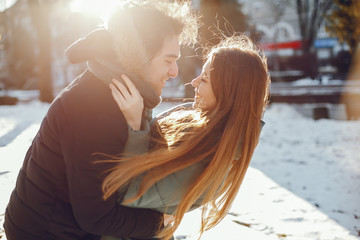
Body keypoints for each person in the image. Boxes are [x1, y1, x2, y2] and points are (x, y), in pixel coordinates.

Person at [3, 1, 198, 240]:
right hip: (45, 232)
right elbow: (96, 216)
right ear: (138, 56)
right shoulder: (96, 108)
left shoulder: (116, 89)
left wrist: (137, 126)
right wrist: (159, 223)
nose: (175, 72)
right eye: (168, 60)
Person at [102, 34, 271, 240]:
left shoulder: (206, 156)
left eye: (205, 79)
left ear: (228, 93)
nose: (194, 81)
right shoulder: (197, 121)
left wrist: (136, 124)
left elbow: (124, 194)